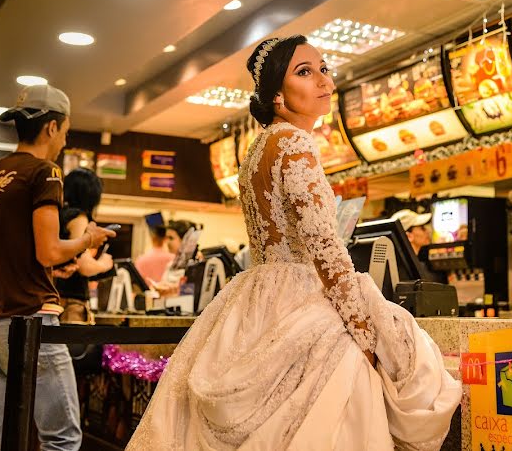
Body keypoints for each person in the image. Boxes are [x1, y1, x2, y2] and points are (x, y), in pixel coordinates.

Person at [128, 36, 459, 449]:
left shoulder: (256, 151)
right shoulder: (295, 142)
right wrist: (365, 331)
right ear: (278, 97)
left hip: (255, 298)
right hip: (300, 298)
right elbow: (327, 250)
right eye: (305, 72)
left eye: (324, 68)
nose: (323, 80)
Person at [0, 84, 115, 451]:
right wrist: (87, 241)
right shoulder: (44, 173)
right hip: (34, 323)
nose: (65, 141)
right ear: (52, 127)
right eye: (65, 132)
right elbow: (49, 251)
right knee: (62, 438)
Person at [54, 168, 114, 324]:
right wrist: (104, 264)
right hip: (70, 302)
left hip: (54, 296)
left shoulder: (56, 213)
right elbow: (82, 264)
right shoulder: (78, 217)